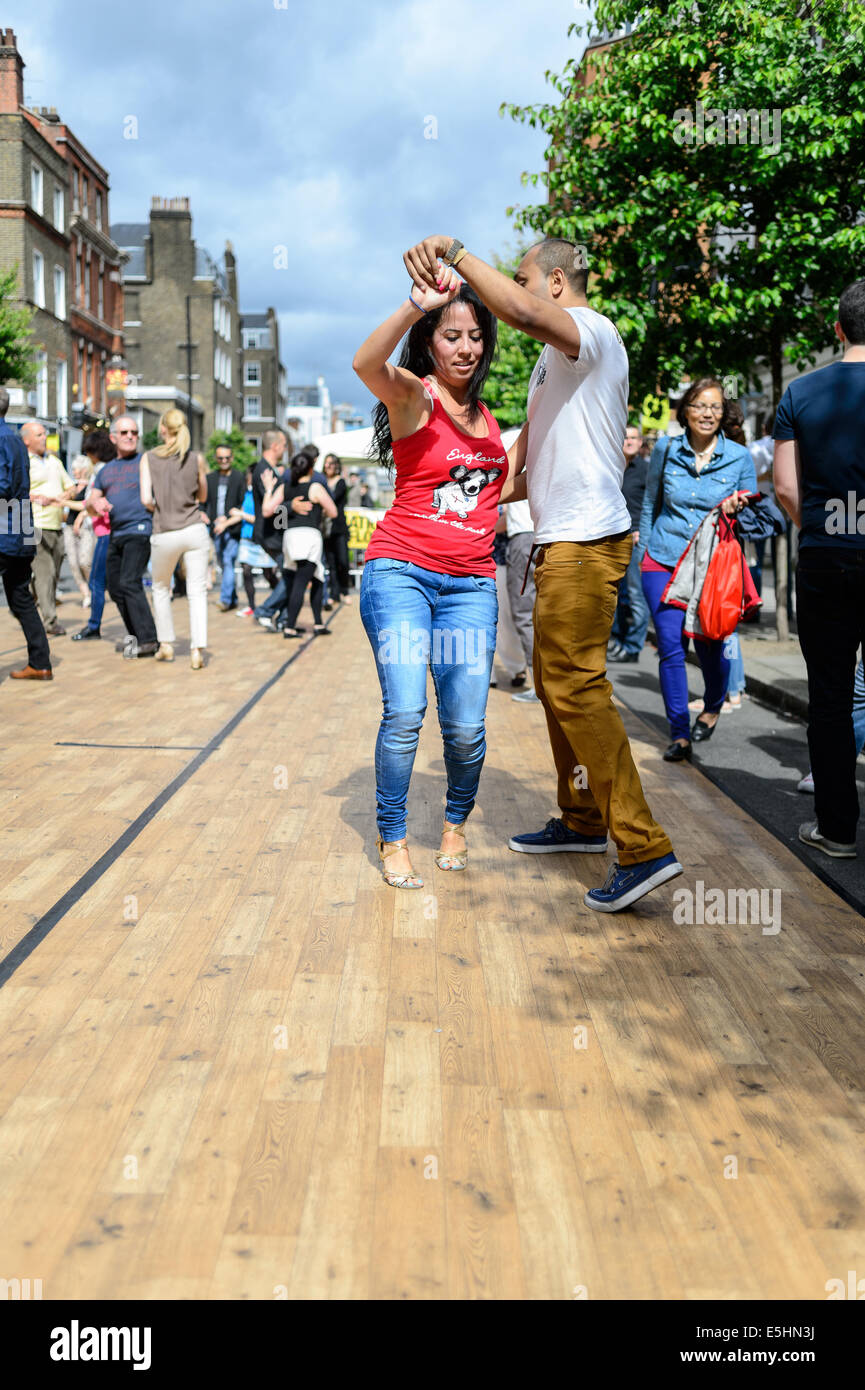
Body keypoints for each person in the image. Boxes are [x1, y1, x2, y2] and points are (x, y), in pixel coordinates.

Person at [405, 233, 680, 911]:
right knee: (559, 685)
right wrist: (448, 511)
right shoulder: (549, 365)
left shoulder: (589, 331)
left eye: (525, 278)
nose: (519, 293)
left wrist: (458, 256)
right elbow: (519, 471)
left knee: (575, 684)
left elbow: (524, 314)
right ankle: (583, 818)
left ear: (556, 282)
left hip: (587, 537)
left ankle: (642, 847)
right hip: (559, 538)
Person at [353, 272, 508, 889]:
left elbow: (495, 490)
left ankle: (454, 824)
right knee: (407, 711)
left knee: (467, 726)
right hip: (401, 574)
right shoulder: (415, 396)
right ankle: (392, 836)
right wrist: (417, 303)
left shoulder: (490, 419)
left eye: (475, 337)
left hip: (471, 584)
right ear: (430, 342)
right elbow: (366, 362)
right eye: (451, 336)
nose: (465, 348)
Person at [774, 278, 865, 859]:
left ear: (838, 328)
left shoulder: (799, 392)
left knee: (830, 696)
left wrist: (819, 531)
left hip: (828, 556)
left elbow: (785, 487)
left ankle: (836, 830)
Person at [637, 378, 756, 762]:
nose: (708, 414)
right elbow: (650, 503)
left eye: (716, 407)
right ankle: (679, 733)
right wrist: (643, 551)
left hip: (712, 567)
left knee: (711, 647)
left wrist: (739, 510)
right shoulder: (667, 450)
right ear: (685, 410)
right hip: (663, 559)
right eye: (700, 406)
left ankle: (714, 704)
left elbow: (757, 516)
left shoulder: (739, 458)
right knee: (671, 648)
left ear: (724, 414)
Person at [140, 408, 210, 669]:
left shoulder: (149, 458)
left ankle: (166, 644)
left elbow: (146, 499)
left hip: (165, 530)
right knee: (197, 591)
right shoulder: (195, 459)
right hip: (193, 528)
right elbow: (202, 496)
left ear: (162, 429)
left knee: (160, 587)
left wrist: (161, 507)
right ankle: (197, 649)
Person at [87, 415, 158, 658]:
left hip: (139, 530)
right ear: (114, 437)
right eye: (125, 432)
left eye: (134, 433)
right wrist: (96, 503)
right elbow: (90, 503)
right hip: (115, 533)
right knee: (115, 587)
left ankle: (149, 639)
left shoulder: (146, 463)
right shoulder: (106, 470)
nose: (130, 436)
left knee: (129, 582)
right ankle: (136, 636)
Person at [0, 387, 52, 679]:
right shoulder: (17, 441)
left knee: (20, 595)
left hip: (4, 528)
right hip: (20, 526)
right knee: (20, 595)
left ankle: (41, 662)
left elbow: (2, 487)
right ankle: (40, 662)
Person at [261, 452, 337, 639]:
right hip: (309, 537)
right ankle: (290, 627)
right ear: (311, 468)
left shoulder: (286, 487)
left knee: (312, 579)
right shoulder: (316, 487)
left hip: (290, 538)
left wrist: (269, 489)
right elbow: (333, 512)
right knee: (303, 583)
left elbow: (267, 510)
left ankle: (318, 623)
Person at [22, 419, 77, 636]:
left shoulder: (54, 461)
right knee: (46, 572)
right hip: (34, 525)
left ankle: (32, 602)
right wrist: (36, 497)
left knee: (52, 574)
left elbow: (70, 486)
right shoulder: (24, 462)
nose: (44, 438)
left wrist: (65, 495)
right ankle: (50, 621)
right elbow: (17, 491)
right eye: (39, 435)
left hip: (56, 524)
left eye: (44, 434)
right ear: (26, 440)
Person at [609, 423, 649, 663]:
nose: (629, 441)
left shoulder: (645, 469)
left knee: (635, 595)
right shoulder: (611, 466)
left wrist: (641, 532)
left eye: (634, 438)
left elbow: (653, 503)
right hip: (613, 536)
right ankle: (620, 640)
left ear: (641, 442)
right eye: (625, 437)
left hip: (634, 538)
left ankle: (633, 647)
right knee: (618, 595)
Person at [71, 429, 116, 642]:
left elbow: (91, 504)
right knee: (109, 582)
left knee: (99, 581)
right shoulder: (111, 468)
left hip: (103, 532)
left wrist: (82, 511)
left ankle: (94, 625)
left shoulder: (102, 471)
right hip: (105, 530)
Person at [251, 429, 289, 628]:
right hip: (270, 533)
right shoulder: (265, 471)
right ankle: (265, 610)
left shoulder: (269, 469)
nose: (285, 449)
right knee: (292, 575)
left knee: (290, 573)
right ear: (275, 446)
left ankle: (283, 619)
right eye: (283, 445)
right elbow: (270, 507)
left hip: (274, 531)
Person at [503, 497, 538, 701]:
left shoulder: (520, 465)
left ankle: (539, 685)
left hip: (523, 537)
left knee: (524, 614)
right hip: (547, 535)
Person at [205, 443, 245, 611]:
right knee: (222, 562)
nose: (224, 461)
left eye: (227, 458)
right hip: (215, 528)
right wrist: (207, 517)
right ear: (216, 459)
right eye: (220, 458)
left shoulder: (238, 477)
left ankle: (225, 600)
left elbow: (242, 504)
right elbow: (204, 502)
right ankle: (233, 598)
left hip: (232, 528)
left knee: (228, 561)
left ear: (232, 458)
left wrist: (227, 519)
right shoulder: (210, 478)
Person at [234, 467, 278, 616]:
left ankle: (279, 601)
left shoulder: (264, 496)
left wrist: (241, 514)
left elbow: (259, 518)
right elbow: (239, 514)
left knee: (269, 574)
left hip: (261, 539)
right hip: (247, 538)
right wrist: (224, 523)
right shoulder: (246, 494)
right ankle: (252, 605)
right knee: (246, 571)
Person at [63, 456, 95, 609]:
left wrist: (80, 517)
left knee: (84, 561)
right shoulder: (72, 487)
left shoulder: (92, 486)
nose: (73, 471)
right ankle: (86, 594)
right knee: (73, 564)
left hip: (86, 528)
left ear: (83, 470)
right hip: (69, 527)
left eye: (75, 468)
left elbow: (86, 506)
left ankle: (94, 590)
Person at [322, 454, 352, 603]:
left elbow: (332, 499)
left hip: (338, 528)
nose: (329, 466)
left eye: (332, 464)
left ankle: (344, 591)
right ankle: (334, 593)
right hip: (325, 528)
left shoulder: (340, 482)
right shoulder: (321, 481)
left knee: (343, 561)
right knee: (331, 563)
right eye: (327, 464)